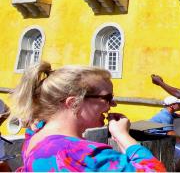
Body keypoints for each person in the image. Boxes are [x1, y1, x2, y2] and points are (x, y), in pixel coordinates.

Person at [13, 62, 166, 171]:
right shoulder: (78, 153)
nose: (113, 104)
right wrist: (122, 136)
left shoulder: (35, 136)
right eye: (107, 98)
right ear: (74, 103)